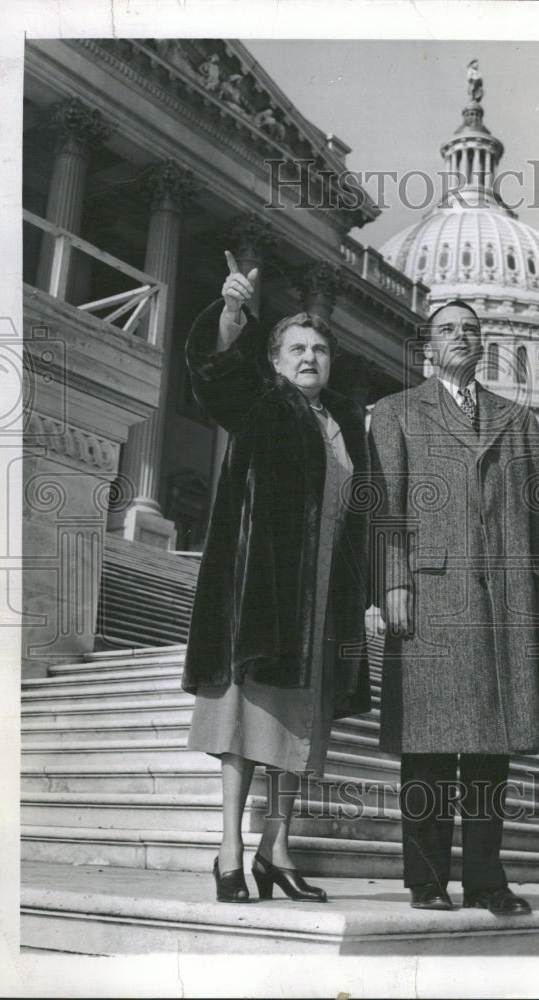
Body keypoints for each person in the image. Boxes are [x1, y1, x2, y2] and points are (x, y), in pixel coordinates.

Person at [182, 253, 371, 904]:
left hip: (320, 600)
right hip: (258, 593)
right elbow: (217, 379)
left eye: (320, 347)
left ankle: (276, 847)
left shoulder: (343, 425)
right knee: (243, 725)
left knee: (301, 727)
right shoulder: (262, 401)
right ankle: (229, 849)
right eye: (297, 347)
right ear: (274, 357)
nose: (311, 357)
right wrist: (233, 311)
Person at [369, 300, 539, 915]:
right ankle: (426, 880)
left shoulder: (518, 420)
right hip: (432, 594)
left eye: (471, 329)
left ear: (483, 345)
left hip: (505, 598)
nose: (461, 336)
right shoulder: (398, 412)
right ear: (429, 344)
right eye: (449, 328)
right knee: (427, 746)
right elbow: (386, 508)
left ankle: (487, 881)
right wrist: (393, 581)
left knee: (490, 750)